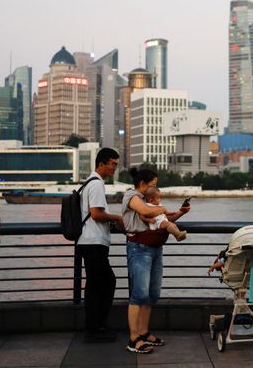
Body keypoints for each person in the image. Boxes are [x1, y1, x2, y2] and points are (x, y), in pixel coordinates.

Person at [122, 167, 191, 354]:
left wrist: (180, 212)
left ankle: (144, 333)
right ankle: (133, 338)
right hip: (139, 248)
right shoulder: (132, 196)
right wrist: (162, 207)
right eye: (153, 184)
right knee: (139, 294)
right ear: (144, 184)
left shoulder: (149, 200)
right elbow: (146, 211)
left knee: (152, 294)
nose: (155, 187)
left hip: (154, 249)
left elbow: (163, 219)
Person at [76, 148, 124, 343]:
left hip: (89, 241)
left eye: (116, 165)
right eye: (112, 164)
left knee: (97, 285)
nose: (115, 168)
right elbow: (96, 214)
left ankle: (95, 327)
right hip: (93, 242)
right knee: (104, 283)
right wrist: (117, 217)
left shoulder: (91, 182)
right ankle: (95, 329)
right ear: (101, 163)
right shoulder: (96, 185)